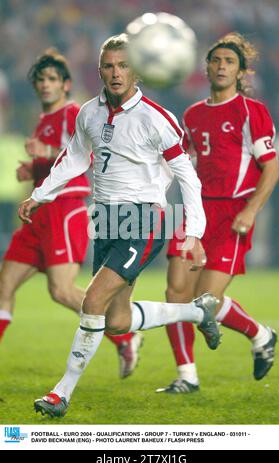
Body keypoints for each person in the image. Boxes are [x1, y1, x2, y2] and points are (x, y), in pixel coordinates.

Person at [18, 34, 221, 418]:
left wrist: (193, 230)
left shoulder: (157, 119)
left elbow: (187, 178)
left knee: (92, 301)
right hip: (106, 219)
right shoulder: (88, 113)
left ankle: (62, 393)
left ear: (137, 70)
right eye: (109, 66)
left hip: (143, 219)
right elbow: (74, 158)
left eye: (123, 65)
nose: (116, 73)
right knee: (116, 321)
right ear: (99, 70)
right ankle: (198, 313)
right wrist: (41, 193)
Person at [0, 48, 143, 380]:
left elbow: (87, 156)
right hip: (38, 215)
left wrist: (46, 152)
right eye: (40, 80)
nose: (45, 85)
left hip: (65, 210)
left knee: (62, 290)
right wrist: (32, 168)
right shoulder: (43, 119)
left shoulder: (73, 113)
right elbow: (54, 163)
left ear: (65, 84)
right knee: (4, 285)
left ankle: (124, 334)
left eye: (52, 79)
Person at [157, 32, 279, 394]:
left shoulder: (250, 111)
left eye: (229, 61)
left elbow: (271, 168)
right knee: (175, 293)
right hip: (195, 212)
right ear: (206, 68)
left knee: (204, 302)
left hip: (232, 211)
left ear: (241, 71)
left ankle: (260, 334)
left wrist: (252, 210)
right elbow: (185, 165)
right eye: (216, 60)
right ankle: (187, 376)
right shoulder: (193, 114)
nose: (222, 66)